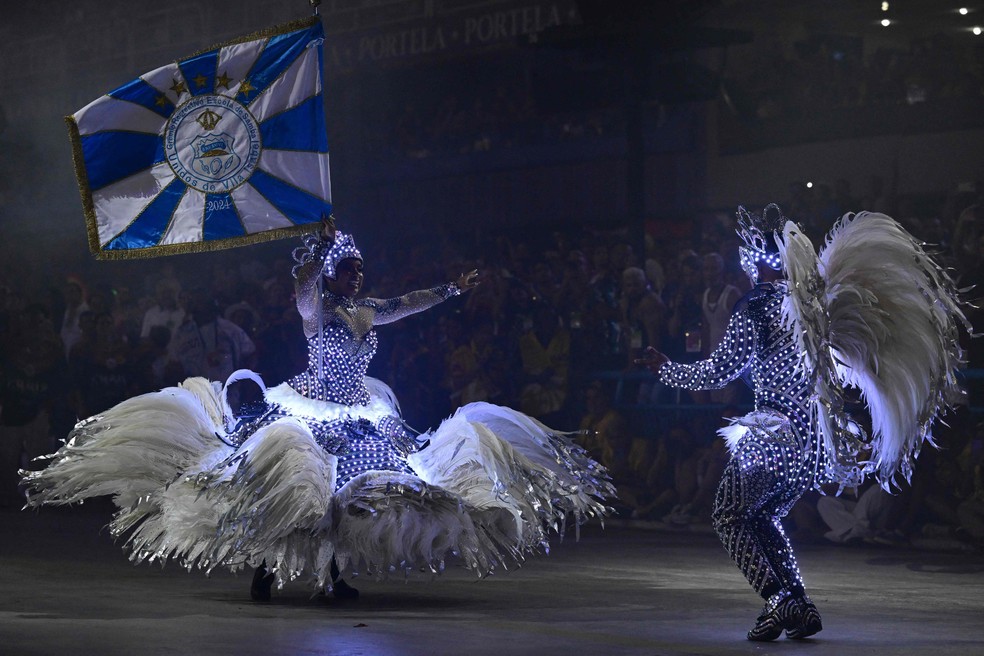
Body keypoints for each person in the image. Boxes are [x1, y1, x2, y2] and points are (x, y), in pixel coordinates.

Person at [24, 216, 613, 601]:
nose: (359, 276)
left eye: (360, 268)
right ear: (335, 273)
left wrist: (454, 289)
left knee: (349, 498)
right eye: (350, 269)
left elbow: (407, 304)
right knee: (292, 488)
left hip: (361, 410)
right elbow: (302, 292)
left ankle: (333, 573)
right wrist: (316, 251)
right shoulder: (319, 311)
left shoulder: (366, 309)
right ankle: (264, 566)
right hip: (310, 408)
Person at [638, 204, 970, 641]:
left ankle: (779, 599)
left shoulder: (756, 305)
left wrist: (665, 368)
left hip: (771, 435)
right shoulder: (814, 306)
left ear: (754, 257)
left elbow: (718, 371)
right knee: (763, 519)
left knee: (728, 515)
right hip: (810, 443)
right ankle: (801, 606)